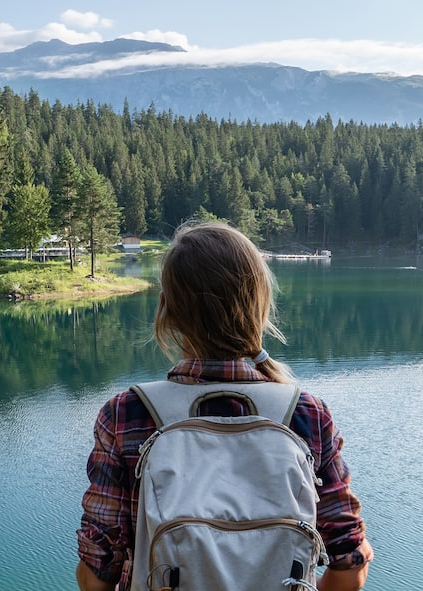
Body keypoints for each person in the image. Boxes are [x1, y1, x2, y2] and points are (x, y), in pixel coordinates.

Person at [76, 221, 373, 591]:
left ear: (167, 311)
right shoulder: (306, 414)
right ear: (259, 301)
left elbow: (95, 575)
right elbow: (350, 566)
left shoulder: (127, 414)